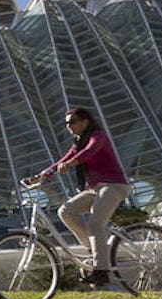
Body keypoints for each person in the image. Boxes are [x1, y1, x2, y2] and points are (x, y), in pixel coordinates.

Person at [28, 107, 130, 287]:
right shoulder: (78, 143)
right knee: (66, 211)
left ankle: (101, 271)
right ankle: (94, 250)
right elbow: (62, 161)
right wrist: (40, 176)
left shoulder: (98, 137)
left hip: (113, 185)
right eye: (66, 123)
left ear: (85, 122)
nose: (69, 126)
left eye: (72, 122)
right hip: (94, 188)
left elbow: (88, 153)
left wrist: (71, 163)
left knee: (95, 224)